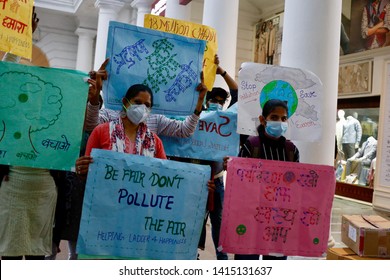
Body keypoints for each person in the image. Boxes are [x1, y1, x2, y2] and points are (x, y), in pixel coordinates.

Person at [0, 8, 56, 260]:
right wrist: (23, 39)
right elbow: (5, 76)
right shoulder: (7, 113)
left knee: (35, 259)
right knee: (10, 254)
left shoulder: (53, 119)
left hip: (42, 191)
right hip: (11, 187)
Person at [225, 99, 299, 260]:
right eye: (274, 117)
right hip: (250, 215)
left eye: (283, 118)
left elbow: (296, 184)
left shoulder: (291, 150)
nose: (279, 122)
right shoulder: (252, 145)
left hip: (278, 219)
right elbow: (239, 182)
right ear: (262, 119)